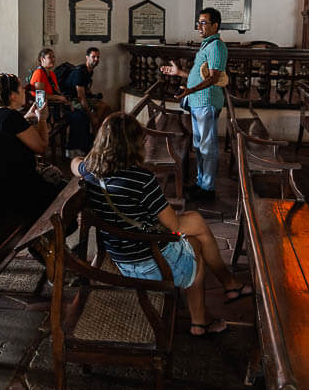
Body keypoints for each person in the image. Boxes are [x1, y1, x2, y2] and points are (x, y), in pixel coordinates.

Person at [73, 114, 253, 336]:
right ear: (133, 145)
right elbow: (173, 225)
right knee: (195, 244)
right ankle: (205, 315)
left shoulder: (91, 171)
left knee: (195, 225)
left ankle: (225, 289)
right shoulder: (142, 179)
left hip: (120, 257)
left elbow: (75, 164)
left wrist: (85, 161)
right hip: (146, 264)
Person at [0, 72, 64, 224]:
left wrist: (26, 118)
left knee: (57, 181)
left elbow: (5, 134)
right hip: (16, 195)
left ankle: (46, 243)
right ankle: (51, 241)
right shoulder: (12, 117)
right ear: (12, 95)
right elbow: (42, 147)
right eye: (21, 88)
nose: (24, 90)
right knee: (67, 193)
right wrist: (42, 118)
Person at [161, 8, 228, 203]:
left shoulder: (216, 46)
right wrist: (179, 73)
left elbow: (214, 77)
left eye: (204, 22)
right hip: (199, 102)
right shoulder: (207, 45)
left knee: (207, 147)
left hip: (206, 101)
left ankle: (208, 189)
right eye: (198, 22)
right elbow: (200, 74)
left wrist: (189, 91)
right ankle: (200, 184)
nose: (199, 26)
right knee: (199, 146)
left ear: (215, 25)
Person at [64, 46, 110, 152]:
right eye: (93, 57)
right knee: (90, 116)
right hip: (71, 100)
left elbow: (86, 90)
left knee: (106, 107)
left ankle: (96, 136)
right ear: (87, 57)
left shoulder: (89, 71)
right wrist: (92, 115)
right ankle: (94, 137)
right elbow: (81, 98)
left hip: (80, 98)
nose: (96, 59)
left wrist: (94, 97)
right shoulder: (79, 72)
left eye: (98, 57)